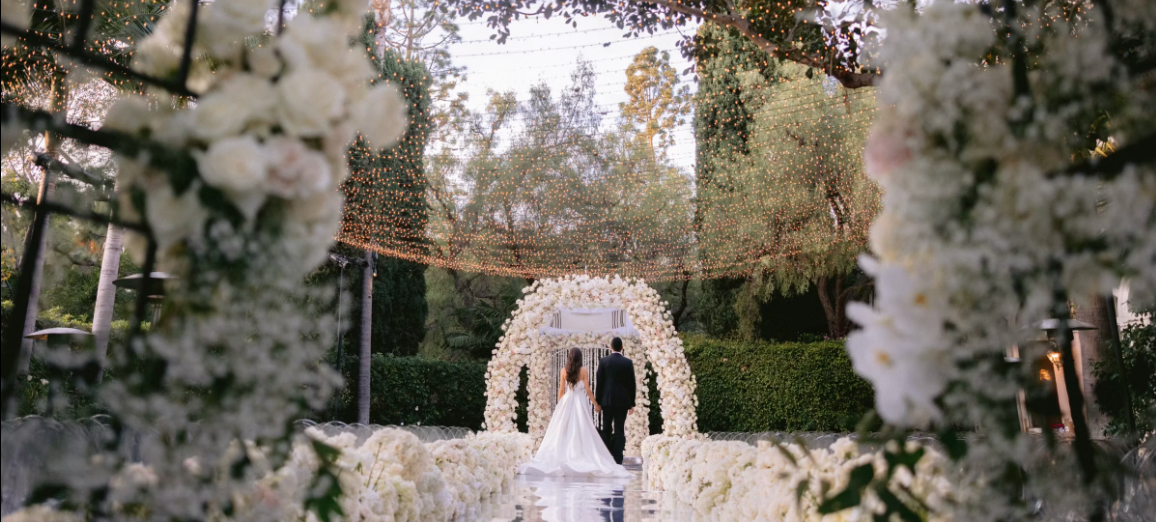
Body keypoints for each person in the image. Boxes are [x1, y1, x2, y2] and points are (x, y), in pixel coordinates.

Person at [518, 347, 632, 477]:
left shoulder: (563, 371)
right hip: (580, 401)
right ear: (580, 358)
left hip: (567, 400)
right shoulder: (583, 371)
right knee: (582, 427)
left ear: (569, 357)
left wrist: (561, 406)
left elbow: (561, 391)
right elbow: (588, 390)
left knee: (563, 428)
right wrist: (596, 404)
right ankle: (581, 452)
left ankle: (564, 452)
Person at [595, 337, 636, 465]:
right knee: (619, 430)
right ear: (622, 348)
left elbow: (599, 383)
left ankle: (606, 457)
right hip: (622, 402)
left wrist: (598, 402)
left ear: (610, 347)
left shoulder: (603, 361)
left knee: (606, 428)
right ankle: (618, 459)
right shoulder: (627, 363)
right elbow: (631, 384)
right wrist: (632, 404)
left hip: (606, 401)